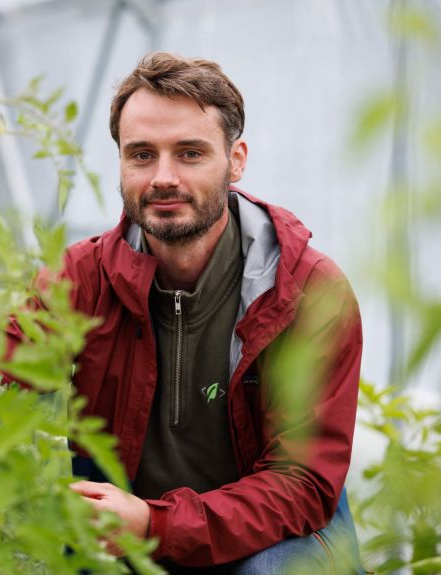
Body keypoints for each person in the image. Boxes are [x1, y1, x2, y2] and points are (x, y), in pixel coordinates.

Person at [41, 52, 364, 573]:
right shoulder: (84, 277)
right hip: (123, 539)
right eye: (141, 155)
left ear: (235, 160)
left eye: (190, 153)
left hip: (272, 544)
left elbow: (301, 483)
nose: (163, 177)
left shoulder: (306, 292)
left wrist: (156, 524)